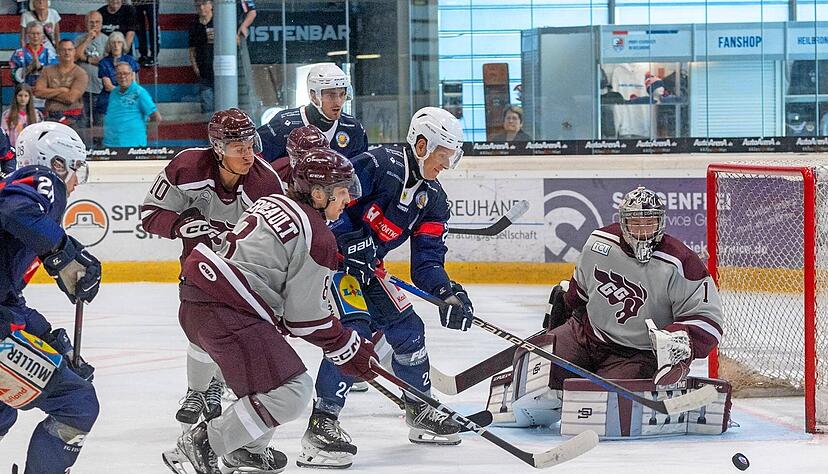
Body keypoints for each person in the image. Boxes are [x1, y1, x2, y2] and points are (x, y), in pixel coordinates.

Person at [162, 148, 378, 474]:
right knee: (293, 390)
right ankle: (206, 443)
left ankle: (247, 449)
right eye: (342, 190)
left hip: (200, 302)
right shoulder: (317, 234)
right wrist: (347, 345)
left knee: (272, 377)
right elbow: (303, 318)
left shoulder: (274, 201)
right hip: (227, 311)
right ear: (318, 193)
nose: (348, 198)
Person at [297, 107, 473, 469]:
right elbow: (331, 204)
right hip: (332, 264)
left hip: (369, 270)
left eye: (450, 158)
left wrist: (446, 292)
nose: (445, 165)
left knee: (410, 330)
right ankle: (322, 422)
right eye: (443, 156)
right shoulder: (378, 164)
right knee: (354, 333)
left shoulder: (434, 201)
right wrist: (349, 241)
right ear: (421, 144)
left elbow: (427, 261)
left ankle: (420, 407)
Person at [501, 186, 725, 428]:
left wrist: (680, 345)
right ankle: (541, 403)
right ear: (622, 223)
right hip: (585, 336)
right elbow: (579, 293)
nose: (642, 231)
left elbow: (708, 320)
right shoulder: (599, 242)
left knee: (599, 405)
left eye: (649, 223)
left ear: (661, 223)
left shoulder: (681, 262)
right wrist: (564, 311)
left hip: (636, 354)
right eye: (635, 223)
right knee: (538, 363)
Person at [141, 108, 286, 432]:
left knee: (230, 335)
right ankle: (197, 391)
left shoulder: (265, 184)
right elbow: (150, 214)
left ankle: (213, 387)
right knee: (198, 333)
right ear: (219, 148)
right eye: (239, 148)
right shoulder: (187, 167)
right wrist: (179, 224)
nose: (248, 155)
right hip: (198, 270)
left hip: (246, 275)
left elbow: (282, 240)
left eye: (250, 145)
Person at [0, 121, 100, 473]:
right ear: (58, 163)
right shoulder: (45, 181)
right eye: (76, 171)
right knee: (76, 402)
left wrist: (49, 339)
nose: (74, 183)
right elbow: (14, 210)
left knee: (2, 409)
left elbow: (8, 298)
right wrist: (64, 249)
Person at [258, 63, 367, 162]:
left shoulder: (353, 128)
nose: (338, 102)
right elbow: (258, 162)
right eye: (331, 95)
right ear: (314, 96)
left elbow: (360, 176)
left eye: (342, 94)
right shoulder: (284, 124)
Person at [102, 62, 160, 147]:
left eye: (125, 73)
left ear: (132, 75)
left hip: (133, 144)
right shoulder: (113, 93)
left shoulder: (139, 92)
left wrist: (143, 131)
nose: (122, 76)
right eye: (119, 74)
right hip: (110, 143)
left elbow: (156, 117)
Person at [34, 39, 88, 129]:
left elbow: (71, 98)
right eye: (63, 50)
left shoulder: (81, 73)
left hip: (74, 118)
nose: (67, 53)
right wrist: (61, 90)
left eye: (70, 49)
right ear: (58, 52)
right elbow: (38, 92)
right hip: (51, 117)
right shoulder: (47, 70)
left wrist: (48, 94)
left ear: (74, 51)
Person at [74, 10, 108, 127]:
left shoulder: (107, 40)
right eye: (91, 22)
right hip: (83, 89)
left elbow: (105, 61)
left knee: (100, 122)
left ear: (102, 24)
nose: (94, 25)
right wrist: (88, 40)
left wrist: (84, 57)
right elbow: (75, 56)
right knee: (83, 122)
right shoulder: (79, 39)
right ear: (86, 23)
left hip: (100, 88)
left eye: (97, 22)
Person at [96, 31, 139, 119]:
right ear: (109, 45)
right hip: (109, 100)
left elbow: (133, 83)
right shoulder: (104, 62)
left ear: (123, 44)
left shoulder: (130, 60)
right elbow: (108, 86)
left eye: (119, 42)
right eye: (113, 43)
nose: (116, 46)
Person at [10, 22, 58, 96]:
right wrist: (29, 68)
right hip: (24, 97)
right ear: (27, 35)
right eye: (32, 33)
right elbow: (13, 77)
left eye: (38, 33)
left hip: (45, 96)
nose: (35, 36)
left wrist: (40, 68)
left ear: (43, 36)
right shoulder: (18, 53)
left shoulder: (50, 54)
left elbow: (55, 76)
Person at [188, 0, 215, 114]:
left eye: (204, 4)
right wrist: (195, 66)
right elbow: (191, 49)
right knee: (207, 103)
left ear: (211, 5)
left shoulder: (219, 21)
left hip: (220, 67)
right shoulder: (195, 25)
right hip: (203, 67)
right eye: (199, 5)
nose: (202, 8)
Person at [132, 0, 159, 67]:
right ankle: (143, 54)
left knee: (153, 26)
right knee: (139, 27)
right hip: (137, 2)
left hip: (151, 1)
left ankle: (154, 55)